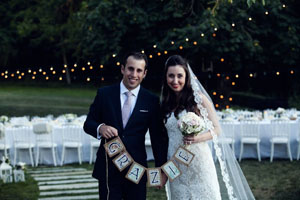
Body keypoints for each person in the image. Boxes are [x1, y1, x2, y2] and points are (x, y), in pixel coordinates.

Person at [161, 55, 255, 200]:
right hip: (176, 165)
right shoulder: (165, 103)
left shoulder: (199, 99)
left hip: (199, 164)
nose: (175, 80)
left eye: (180, 75)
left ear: (187, 76)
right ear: (165, 77)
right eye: (171, 76)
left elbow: (217, 129)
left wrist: (197, 138)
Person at [84, 52, 168, 200]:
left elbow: (157, 138)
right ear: (123, 69)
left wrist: (161, 169)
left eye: (139, 70)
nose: (133, 74)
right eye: (130, 69)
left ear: (144, 73)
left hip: (136, 169)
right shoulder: (105, 94)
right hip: (108, 167)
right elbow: (88, 123)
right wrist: (101, 128)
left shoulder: (151, 100)